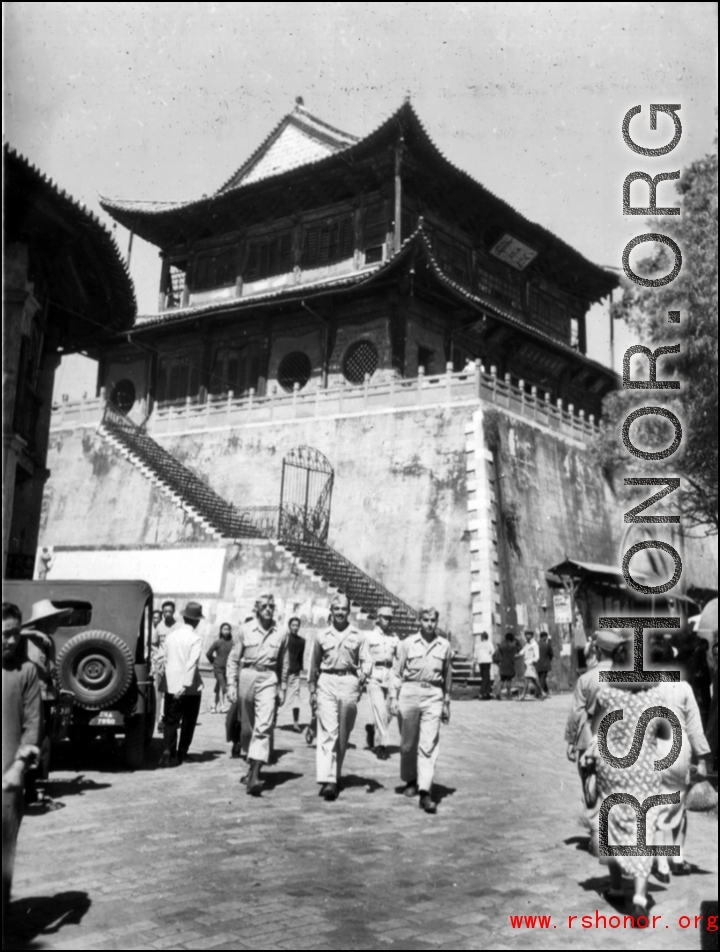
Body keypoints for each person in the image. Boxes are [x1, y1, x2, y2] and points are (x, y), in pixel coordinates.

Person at [580, 637, 666, 917]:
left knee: (613, 829)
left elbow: (594, 730)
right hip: (644, 776)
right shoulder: (656, 698)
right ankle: (640, 899)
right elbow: (664, 734)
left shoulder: (607, 696)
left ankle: (617, 887)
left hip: (613, 774)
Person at [652, 646, 712, 880]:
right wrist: (704, 759)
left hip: (656, 749)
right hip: (681, 750)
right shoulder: (684, 687)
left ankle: (663, 865)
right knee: (679, 806)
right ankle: (677, 859)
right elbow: (695, 727)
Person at [308, 594, 371, 801]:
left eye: (344, 609)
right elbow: (314, 664)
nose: (340, 612)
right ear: (331, 611)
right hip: (327, 682)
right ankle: (329, 781)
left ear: (349, 611)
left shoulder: (359, 635)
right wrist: (312, 690)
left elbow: (367, 660)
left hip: (350, 684)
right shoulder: (321, 635)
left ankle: (334, 774)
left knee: (343, 734)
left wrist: (364, 672)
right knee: (329, 732)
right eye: (336, 609)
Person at [390, 608, 452, 814]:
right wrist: (393, 697)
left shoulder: (444, 645)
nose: (429, 624)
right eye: (425, 620)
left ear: (437, 621)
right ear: (419, 621)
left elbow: (447, 676)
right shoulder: (407, 644)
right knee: (408, 743)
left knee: (428, 744)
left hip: (433, 694)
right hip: (409, 692)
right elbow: (396, 672)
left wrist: (446, 703)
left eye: (433, 620)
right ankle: (410, 778)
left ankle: (425, 792)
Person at [226, 594, 288, 796]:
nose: (268, 609)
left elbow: (283, 663)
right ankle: (252, 763)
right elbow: (234, 659)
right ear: (257, 609)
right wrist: (231, 684)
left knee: (264, 725)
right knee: (247, 729)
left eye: (271, 606)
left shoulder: (281, 632)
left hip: (269, 677)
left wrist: (283, 686)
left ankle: (254, 775)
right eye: (264, 606)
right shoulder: (245, 629)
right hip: (247, 676)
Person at [565, 629, 627, 825]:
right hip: (618, 735)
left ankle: (594, 825)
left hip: (589, 734)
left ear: (598, 651)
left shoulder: (586, 678)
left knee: (589, 780)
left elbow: (576, 713)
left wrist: (570, 739)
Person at [2, 603, 41, 908]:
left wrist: (18, 767)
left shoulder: (26, 671)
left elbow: (32, 725)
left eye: (15, 633)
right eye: (5, 634)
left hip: (7, 782)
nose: (11, 641)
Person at [20, 599, 72, 803]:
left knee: (42, 742)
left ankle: (32, 785)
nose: (58, 623)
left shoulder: (48, 641)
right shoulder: (28, 639)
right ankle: (29, 788)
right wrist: (32, 632)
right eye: (54, 619)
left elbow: (50, 670)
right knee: (32, 740)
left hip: (46, 697)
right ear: (44, 621)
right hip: (30, 698)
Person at [158, 601, 204, 767]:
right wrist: (184, 686)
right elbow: (192, 663)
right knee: (188, 722)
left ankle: (167, 752)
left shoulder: (170, 636)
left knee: (170, 720)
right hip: (190, 688)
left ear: (184, 617)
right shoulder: (196, 639)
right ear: (197, 621)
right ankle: (182, 753)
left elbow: (164, 659)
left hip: (171, 686)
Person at [363, 607, 400, 759]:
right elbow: (365, 657)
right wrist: (364, 676)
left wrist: (397, 681)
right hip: (375, 676)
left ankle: (373, 728)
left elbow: (398, 661)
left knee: (390, 710)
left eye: (390, 618)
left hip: (390, 675)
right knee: (381, 711)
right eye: (385, 617)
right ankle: (381, 746)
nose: (387, 620)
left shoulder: (394, 638)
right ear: (378, 617)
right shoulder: (369, 636)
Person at [152, 600, 180, 733]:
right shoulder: (159, 627)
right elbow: (154, 644)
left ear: (174, 612)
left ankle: (168, 718)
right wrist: (156, 658)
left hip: (174, 665)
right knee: (159, 694)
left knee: (172, 693)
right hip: (161, 665)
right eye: (165, 612)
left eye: (169, 611)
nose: (167, 614)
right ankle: (159, 720)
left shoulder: (179, 627)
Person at [284, 616, 305, 733]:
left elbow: (301, 657)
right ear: (289, 626)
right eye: (293, 625)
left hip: (295, 672)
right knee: (278, 697)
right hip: (283, 673)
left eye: (297, 625)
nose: (295, 627)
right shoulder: (285, 638)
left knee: (296, 697)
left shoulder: (302, 641)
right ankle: (273, 720)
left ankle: (296, 723)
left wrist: (299, 670)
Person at [206, 623, 234, 713]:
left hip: (228, 668)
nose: (226, 631)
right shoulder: (218, 642)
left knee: (219, 686)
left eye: (228, 629)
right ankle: (222, 706)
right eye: (224, 629)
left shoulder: (233, 643)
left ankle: (214, 705)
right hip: (218, 668)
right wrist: (214, 661)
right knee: (223, 686)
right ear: (221, 631)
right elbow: (208, 653)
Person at [517, 630, 541, 701]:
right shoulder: (527, 644)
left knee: (526, 679)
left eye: (529, 635)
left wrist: (533, 662)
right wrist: (517, 655)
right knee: (534, 680)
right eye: (526, 635)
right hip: (526, 663)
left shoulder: (534, 644)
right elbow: (522, 651)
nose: (527, 636)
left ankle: (522, 695)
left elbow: (537, 656)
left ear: (532, 636)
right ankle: (542, 693)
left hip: (530, 664)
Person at [494, 632, 516, 700]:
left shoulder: (501, 645)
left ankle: (498, 693)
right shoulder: (512, 646)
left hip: (503, 664)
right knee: (509, 680)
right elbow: (514, 655)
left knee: (502, 679)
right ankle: (509, 694)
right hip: (509, 664)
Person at [475, 632, 494, 700]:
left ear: (482, 637)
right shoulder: (489, 644)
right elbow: (492, 652)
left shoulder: (477, 645)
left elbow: (476, 654)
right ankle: (482, 692)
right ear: (487, 637)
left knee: (484, 677)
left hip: (480, 662)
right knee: (486, 677)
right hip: (487, 661)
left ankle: (487, 692)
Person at [536, 631, 554, 699]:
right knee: (542, 678)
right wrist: (548, 660)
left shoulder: (536, 644)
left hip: (537, 664)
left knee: (541, 678)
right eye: (546, 637)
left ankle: (546, 691)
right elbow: (551, 654)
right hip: (545, 664)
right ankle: (538, 693)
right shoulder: (547, 645)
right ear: (544, 637)